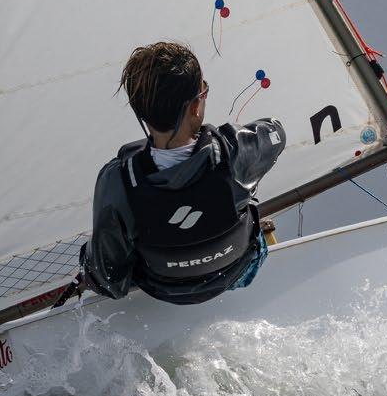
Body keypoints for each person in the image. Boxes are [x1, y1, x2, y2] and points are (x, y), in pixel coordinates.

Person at [81, 42, 286, 304]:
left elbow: (109, 278)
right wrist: (220, 136)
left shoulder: (117, 181)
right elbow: (276, 131)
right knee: (245, 197)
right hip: (238, 272)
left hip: (166, 292)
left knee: (112, 241)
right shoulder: (235, 150)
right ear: (195, 107)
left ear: (141, 113)